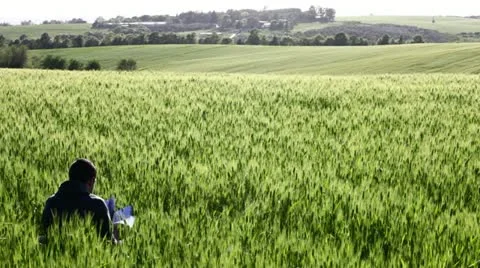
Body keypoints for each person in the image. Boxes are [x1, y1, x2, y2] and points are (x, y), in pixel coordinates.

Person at [40, 158, 117, 244]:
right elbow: (107, 241)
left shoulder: (51, 202)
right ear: (91, 181)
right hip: (89, 255)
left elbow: (45, 235)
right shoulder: (97, 204)